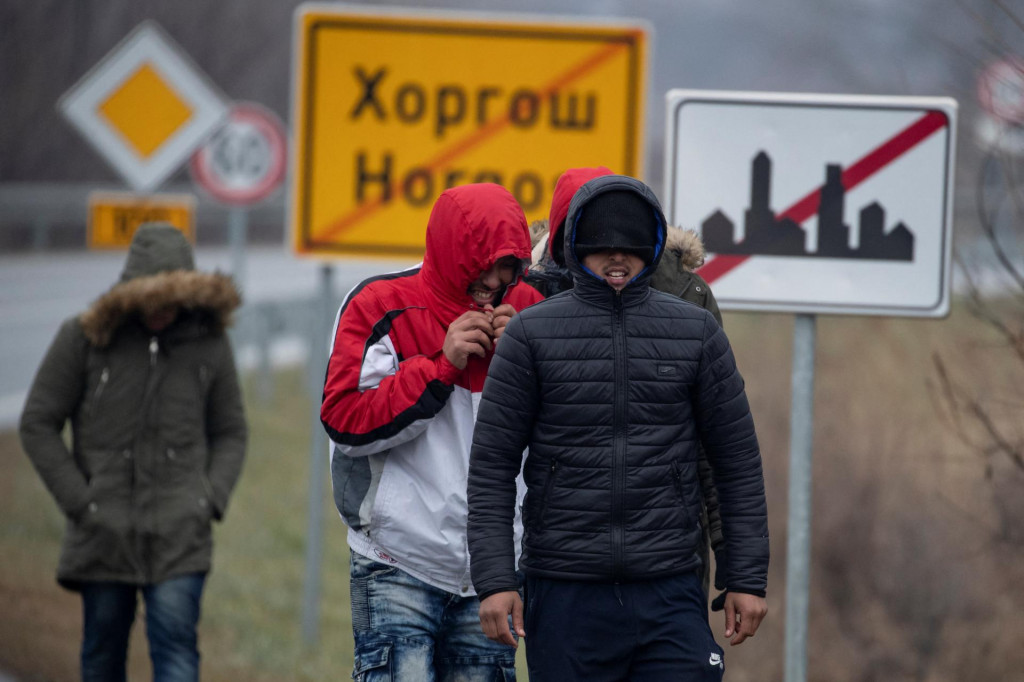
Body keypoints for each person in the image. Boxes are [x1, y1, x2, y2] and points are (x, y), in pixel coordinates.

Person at [468, 175, 769, 680]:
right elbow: (492, 467)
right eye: (601, 246)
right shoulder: (531, 333)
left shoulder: (695, 332)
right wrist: (496, 581)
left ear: (651, 249)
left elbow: (735, 461)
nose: (616, 259)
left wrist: (746, 577)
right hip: (564, 591)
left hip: (670, 587)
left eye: (630, 247)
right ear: (575, 248)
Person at [320, 183, 545, 680]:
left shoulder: (533, 309)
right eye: (478, 264)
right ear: (448, 251)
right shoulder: (380, 303)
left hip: (493, 574)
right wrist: (441, 365)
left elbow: (569, 426)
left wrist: (525, 356)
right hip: (396, 562)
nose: (491, 280)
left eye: (504, 265)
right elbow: (343, 421)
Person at [19, 222, 247, 682]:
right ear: (130, 292)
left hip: (181, 535)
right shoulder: (84, 338)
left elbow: (231, 431)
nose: (161, 310)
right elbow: (38, 422)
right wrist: (83, 502)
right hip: (103, 533)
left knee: (178, 657)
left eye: (171, 299)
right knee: (102, 658)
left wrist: (209, 498)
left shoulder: (208, 343)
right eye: (151, 299)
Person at [526, 166, 728, 606]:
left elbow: (721, 442)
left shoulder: (687, 301)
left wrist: (738, 565)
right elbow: (493, 448)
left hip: (668, 556)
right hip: (565, 556)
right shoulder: (525, 295)